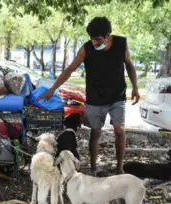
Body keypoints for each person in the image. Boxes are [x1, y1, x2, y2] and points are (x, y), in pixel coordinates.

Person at [38, 17, 140, 175]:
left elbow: (130, 65)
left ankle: (119, 167)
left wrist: (135, 87)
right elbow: (69, 70)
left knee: (120, 131)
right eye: (92, 39)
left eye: (98, 40)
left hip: (117, 95)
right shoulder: (86, 48)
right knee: (96, 132)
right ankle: (93, 168)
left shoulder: (121, 44)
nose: (95, 43)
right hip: (95, 97)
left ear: (108, 36)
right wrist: (52, 89)